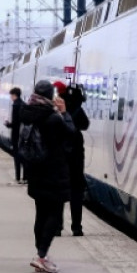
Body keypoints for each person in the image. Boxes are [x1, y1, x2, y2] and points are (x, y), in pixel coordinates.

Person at [19, 80, 75, 273]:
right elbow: (71, 135)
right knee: (54, 214)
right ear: (50, 95)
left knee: (41, 213)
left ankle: (40, 254)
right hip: (54, 171)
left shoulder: (27, 114)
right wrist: (65, 113)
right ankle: (42, 256)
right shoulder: (53, 118)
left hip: (35, 170)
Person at [53, 81, 90, 237]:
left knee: (59, 193)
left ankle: (58, 227)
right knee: (76, 194)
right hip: (76, 158)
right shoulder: (78, 109)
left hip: (60, 158)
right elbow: (85, 124)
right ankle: (77, 227)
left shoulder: (57, 110)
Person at [4, 87, 26, 184]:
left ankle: (17, 177)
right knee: (24, 156)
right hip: (24, 134)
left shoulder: (15, 105)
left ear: (14, 95)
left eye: (11, 95)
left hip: (16, 134)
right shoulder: (24, 104)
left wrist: (8, 124)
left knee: (16, 155)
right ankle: (25, 177)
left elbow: (15, 122)